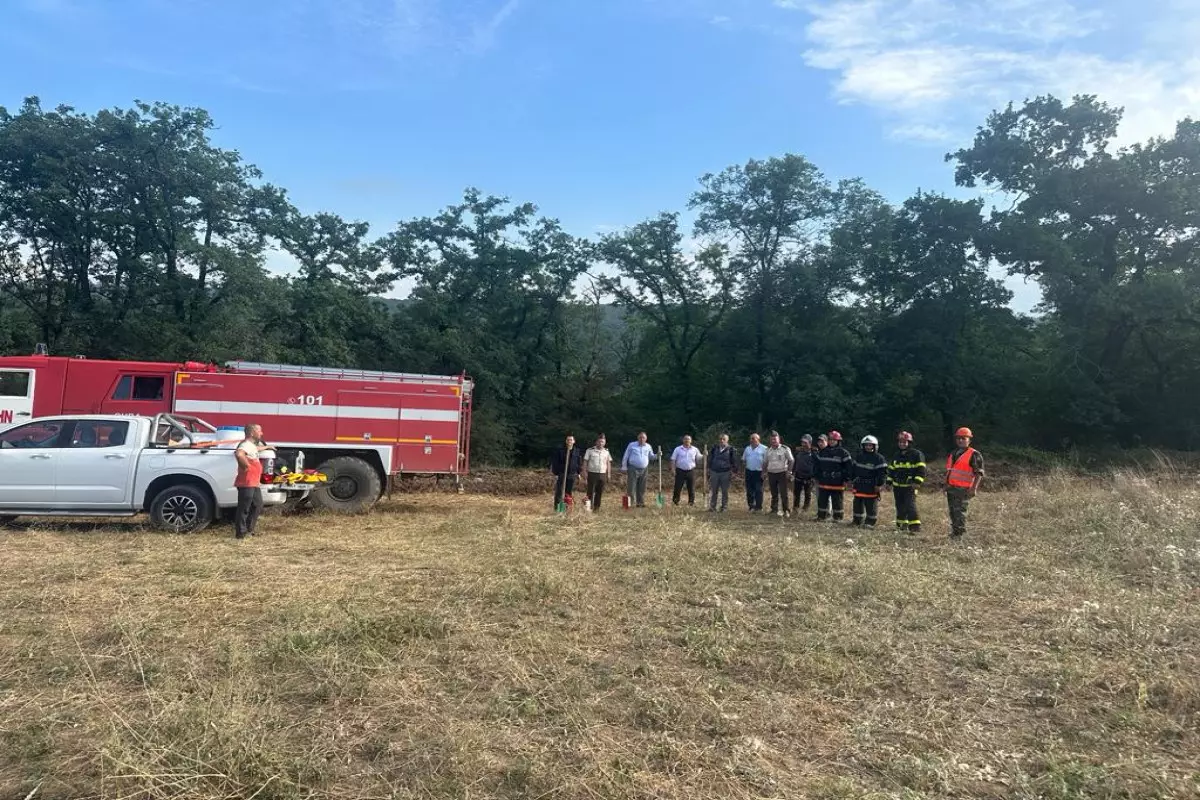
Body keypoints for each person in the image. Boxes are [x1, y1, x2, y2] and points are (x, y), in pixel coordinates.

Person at [945, 426, 985, 540]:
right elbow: (950, 471)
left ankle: (960, 535)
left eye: (964, 438)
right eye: (958, 438)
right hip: (952, 488)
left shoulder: (974, 454)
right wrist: (946, 485)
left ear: (969, 440)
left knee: (960, 513)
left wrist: (974, 488)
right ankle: (955, 532)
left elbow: (979, 473)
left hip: (964, 489)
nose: (961, 440)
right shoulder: (954, 453)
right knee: (953, 512)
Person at [888, 431, 927, 534]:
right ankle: (901, 525)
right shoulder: (896, 455)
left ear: (909, 442)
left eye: (904, 442)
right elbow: (891, 469)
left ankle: (915, 527)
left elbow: (921, 469)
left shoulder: (916, 454)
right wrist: (889, 482)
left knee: (910, 505)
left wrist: (917, 482)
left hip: (910, 486)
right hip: (897, 486)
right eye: (900, 442)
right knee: (899, 506)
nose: (902, 444)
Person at [234, 423, 266, 539]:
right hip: (247, 482)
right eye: (259, 431)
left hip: (253, 482)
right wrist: (246, 466)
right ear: (252, 433)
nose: (261, 433)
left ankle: (249, 529)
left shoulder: (251, 445)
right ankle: (241, 534)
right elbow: (239, 453)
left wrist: (267, 447)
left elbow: (255, 449)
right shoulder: (246, 444)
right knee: (244, 508)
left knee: (258, 505)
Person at [813, 430, 853, 522]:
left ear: (838, 441)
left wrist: (847, 479)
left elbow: (849, 468)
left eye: (833, 440)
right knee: (822, 500)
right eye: (830, 439)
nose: (831, 441)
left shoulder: (843, 453)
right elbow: (817, 465)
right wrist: (816, 476)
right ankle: (822, 516)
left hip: (837, 481)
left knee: (837, 501)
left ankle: (837, 518)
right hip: (824, 481)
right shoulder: (822, 452)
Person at [850, 435, 888, 527]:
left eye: (870, 445)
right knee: (857, 504)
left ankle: (869, 523)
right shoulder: (859, 457)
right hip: (859, 485)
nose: (868, 447)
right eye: (866, 445)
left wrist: (879, 485)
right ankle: (857, 521)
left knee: (871, 505)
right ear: (863, 446)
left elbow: (882, 473)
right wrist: (851, 480)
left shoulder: (879, 458)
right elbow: (853, 470)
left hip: (872, 486)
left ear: (875, 446)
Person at [620, 432, 657, 508]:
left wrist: (657, 455)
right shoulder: (632, 445)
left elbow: (651, 457)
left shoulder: (648, 446)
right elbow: (626, 456)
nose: (641, 439)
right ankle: (631, 503)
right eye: (640, 437)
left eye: (643, 438)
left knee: (642, 487)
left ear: (646, 439)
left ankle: (640, 503)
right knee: (631, 486)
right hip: (633, 468)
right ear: (638, 438)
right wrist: (624, 466)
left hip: (644, 469)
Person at [764, 431, 795, 517]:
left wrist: (789, 472)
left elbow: (791, 460)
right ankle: (774, 509)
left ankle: (786, 510)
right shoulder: (767, 450)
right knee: (774, 493)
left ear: (779, 439)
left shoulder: (785, 449)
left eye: (775, 439)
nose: (773, 441)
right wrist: (763, 472)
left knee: (783, 493)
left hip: (782, 473)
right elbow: (765, 462)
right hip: (771, 473)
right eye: (772, 439)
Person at [706, 434, 739, 512]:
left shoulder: (731, 449)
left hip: (725, 472)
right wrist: (708, 468)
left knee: (725, 491)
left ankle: (724, 507)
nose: (722, 440)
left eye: (724, 439)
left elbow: (734, 461)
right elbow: (710, 459)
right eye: (720, 439)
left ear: (727, 440)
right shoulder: (714, 448)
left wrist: (735, 472)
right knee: (714, 491)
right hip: (714, 472)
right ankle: (712, 507)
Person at [550, 434, 582, 510]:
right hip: (562, 474)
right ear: (566, 441)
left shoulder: (576, 451)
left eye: (571, 440)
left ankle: (567, 508)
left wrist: (578, 473)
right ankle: (559, 509)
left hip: (572, 474)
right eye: (568, 440)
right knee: (559, 493)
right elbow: (555, 463)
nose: (569, 441)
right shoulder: (560, 451)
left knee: (569, 492)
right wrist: (556, 473)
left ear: (574, 441)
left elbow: (578, 463)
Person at [582, 434, 613, 511]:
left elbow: (608, 463)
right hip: (592, 473)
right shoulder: (590, 450)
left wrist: (608, 474)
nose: (601, 443)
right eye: (599, 442)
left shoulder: (606, 452)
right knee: (590, 491)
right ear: (596, 442)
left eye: (602, 442)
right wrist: (584, 472)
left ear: (605, 443)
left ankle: (597, 507)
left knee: (599, 491)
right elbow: (585, 462)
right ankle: (588, 508)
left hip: (602, 474)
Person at [670, 435, 703, 506]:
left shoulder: (695, 449)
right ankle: (675, 501)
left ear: (691, 441)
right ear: (683, 440)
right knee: (678, 487)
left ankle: (691, 502)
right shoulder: (678, 449)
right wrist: (673, 469)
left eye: (688, 439)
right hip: (680, 471)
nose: (687, 441)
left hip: (691, 471)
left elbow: (699, 458)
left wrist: (705, 455)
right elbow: (673, 459)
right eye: (685, 439)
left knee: (691, 488)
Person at [742, 433, 767, 512]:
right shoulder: (747, 448)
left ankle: (758, 507)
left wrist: (765, 472)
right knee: (749, 490)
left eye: (753, 438)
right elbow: (744, 459)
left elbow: (767, 461)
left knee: (758, 490)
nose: (752, 440)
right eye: (751, 438)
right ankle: (751, 506)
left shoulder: (764, 448)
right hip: (749, 471)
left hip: (759, 472)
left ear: (758, 439)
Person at [792, 434, 816, 513]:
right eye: (802, 442)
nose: (803, 444)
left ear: (810, 443)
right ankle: (795, 508)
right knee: (796, 493)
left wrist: (814, 476)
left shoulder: (814, 453)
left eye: (805, 443)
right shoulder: (798, 451)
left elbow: (816, 465)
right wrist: (793, 472)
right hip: (798, 476)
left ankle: (805, 509)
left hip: (809, 477)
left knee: (807, 494)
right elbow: (794, 462)